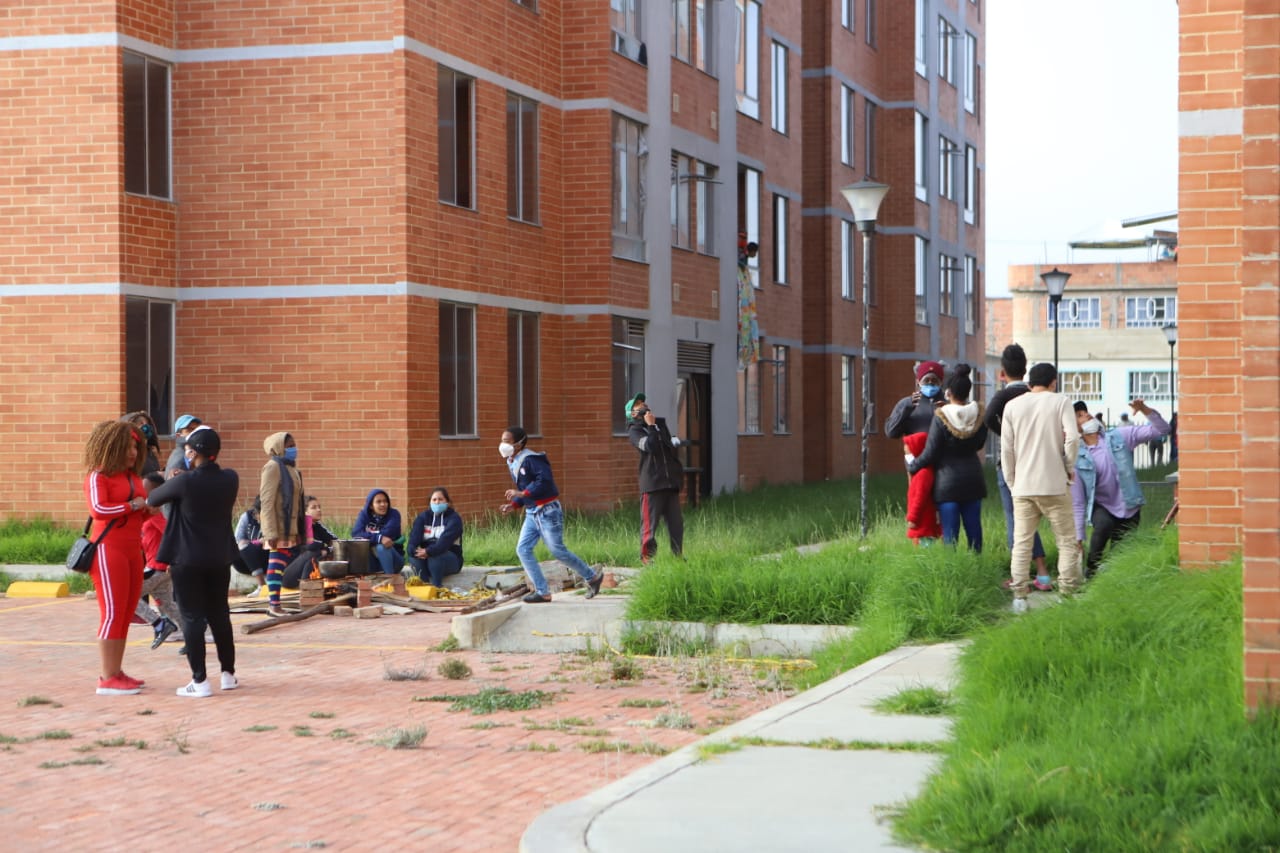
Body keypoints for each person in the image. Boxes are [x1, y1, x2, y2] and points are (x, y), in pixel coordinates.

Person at [146, 426, 241, 697]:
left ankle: (200, 681)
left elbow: (153, 498)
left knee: (191, 617)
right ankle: (228, 674)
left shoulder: (184, 482)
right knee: (220, 614)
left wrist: (173, 479)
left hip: (187, 559)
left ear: (192, 453)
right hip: (219, 557)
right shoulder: (230, 478)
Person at [1000, 363, 1083, 613]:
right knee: (1066, 541)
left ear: (1029, 382)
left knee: (1022, 543)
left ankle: (1019, 597)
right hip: (1055, 483)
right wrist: (1068, 466)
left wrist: (1012, 481)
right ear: (1053, 382)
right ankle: (1066, 594)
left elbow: (1006, 449)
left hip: (1023, 486)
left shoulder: (1012, 406)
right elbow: (1073, 438)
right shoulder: (1061, 402)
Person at [81, 420, 150, 696]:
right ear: (112, 448)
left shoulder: (132, 477)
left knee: (126, 611)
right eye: (127, 447)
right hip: (108, 549)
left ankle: (116, 671)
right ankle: (107, 677)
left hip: (133, 549)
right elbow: (98, 509)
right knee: (112, 612)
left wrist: (146, 511)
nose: (133, 452)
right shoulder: (98, 476)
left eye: (135, 447)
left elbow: (135, 512)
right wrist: (132, 506)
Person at [500, 426, 604, 603]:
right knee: (523, 549)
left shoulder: (532, 459)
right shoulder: (513, 461)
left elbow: (544, 481)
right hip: (532, 513)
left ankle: (592, 577)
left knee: (558, 551)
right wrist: (514, 504)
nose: (503, 445)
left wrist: (522, 494)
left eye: (507, 441)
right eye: (502, 441)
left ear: (519, 443)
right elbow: (525, 486)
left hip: (547, 511)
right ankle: (542, 592)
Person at [1072, 399, 1171, 577]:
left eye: (1085, 412)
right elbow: (1078, 502)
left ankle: (1109, 581)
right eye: (1079, 416)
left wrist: (1144, 409)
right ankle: (1091, 571)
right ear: (1074, 428)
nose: (1086, 415)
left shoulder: (1119, 436)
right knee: (1102, 527)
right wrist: (1079, 538)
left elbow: (1162, 430)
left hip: (1129, 505)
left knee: (1119, 558)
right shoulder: (1077, 457)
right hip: (1103, 506)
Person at [983, 344, 1053, 591]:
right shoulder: (1033, 394)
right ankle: (1043, 574)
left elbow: (988, 418)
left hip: (1011, 465)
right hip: (1036, 463)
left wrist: (1007, 434)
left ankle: (1020, 576)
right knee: (1033, 518)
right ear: (1025, 370)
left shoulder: (1002, 397)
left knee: (1016, 518)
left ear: (1002, 373)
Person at [907, 364, 988, 551]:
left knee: (950, 536)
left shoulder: (941, 417)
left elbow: (931, 452)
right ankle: (977, 565)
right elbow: (979, 445)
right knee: (974, 532)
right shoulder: (978, 415)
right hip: (974, 480)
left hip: (947, 484)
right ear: (968, 392)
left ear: (948, 392)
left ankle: (952, 567)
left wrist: (913, 466)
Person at [626, 392, 684, 563]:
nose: (644, 405)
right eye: (638, 404)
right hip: (652, 484)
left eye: (643, 402)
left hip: (669, 483)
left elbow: (669, 447)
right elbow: (649, 446)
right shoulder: (635, 431)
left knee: (676, 525)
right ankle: (647, 559)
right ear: (633, 413)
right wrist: (651, 427)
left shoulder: (659, 425)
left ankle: (678, 557)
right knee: (649, 526)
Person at [260, 431, 305, 618]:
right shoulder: (272, 467)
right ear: (278, 448)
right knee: (276, 562)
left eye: (294, 445)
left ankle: (276, 603)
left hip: (290, 526)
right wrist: (270, 532)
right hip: (278, 527)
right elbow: (266, 501)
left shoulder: (291, 469)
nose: (293, 449)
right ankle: (274, 605)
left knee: (280, 562)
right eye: (289, 446)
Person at [134, 471, 181, 649]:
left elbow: (172, 535)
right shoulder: (148, 514)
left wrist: (173, 560)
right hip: (157, 566)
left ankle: (160, 624)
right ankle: (195, 632)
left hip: (158, 567)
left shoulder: (155, 515)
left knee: (128, 598)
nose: (141, 492)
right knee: (168, 604)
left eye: (145, 489)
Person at [407, 487, 465, 588]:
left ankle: (437, 587)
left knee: (435, 557)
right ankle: (424, 587)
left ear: (447, 502)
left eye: (440, 499)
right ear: (430, 502)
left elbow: (444, 543)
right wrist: (414, 551)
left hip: (451, 559)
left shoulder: (454, 519)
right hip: (426, 557)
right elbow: (413, 540)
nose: (437, 502)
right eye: (434, 500)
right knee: (414, 558)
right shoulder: (422, 517)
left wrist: (428, 551)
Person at [281, 495, 340, 588]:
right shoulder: (299, 525)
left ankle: (310, 585)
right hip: (288, 575)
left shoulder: (317, 525)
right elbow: (310, 545)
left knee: (323, 554)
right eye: (314, 507)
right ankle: (306, 585)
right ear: (305, 511)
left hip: (304, 569)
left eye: (319, 507)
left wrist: (328, 550)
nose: (319, 510)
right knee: (312, 553)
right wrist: (325, 549)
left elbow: (336, 541)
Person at [885, 360, 946, 438]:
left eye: (934, 380)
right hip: (916, 446)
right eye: (926, 380)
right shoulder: (906, 403)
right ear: (918, 382)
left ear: (941, 383)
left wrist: (948, 410)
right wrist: (907, 408)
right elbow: (891, 433)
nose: (930, 383)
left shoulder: (949, 403)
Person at [351, 489, 405, 574]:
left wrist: (369, 536)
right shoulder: (364, 515)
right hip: (374, 562)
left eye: (385, 501)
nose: (383, 504)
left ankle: (390, 578)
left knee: (381, 547)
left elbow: (388, 534)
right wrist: (379, 538)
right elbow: (356, 534)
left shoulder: (394, 514)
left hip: (394, 561)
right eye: (378, 502)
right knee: (358, 546)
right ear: (371, 506)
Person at [902, 432, 941, 545]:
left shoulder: (923, 474)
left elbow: (919, 498)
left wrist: (913, 518)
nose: (907, 457)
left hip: (923, 522)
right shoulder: (920, 472)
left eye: (908, 453)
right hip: (922, 522)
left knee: (924, 549)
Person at [233, 496, 268, 596]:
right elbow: (238, 540)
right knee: (241, 547)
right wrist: (256, 542)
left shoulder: (274, 519)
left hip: (269, 555)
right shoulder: (247, 516)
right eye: (255, 513)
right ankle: (262, 586)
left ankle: (262, 586)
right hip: (250, 558)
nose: (256, 516)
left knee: (245, 546)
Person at [123, 411, 163, 476]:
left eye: (147, 423)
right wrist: (154, 476)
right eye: (140, 423)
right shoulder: (130, 455)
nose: (145, 426)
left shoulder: (149, 453)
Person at [164, 414, 203, 478]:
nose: (195, 433)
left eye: (197, 430)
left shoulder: (188, 454)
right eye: (190, 430)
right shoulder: (181, 459)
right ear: (178, 435)